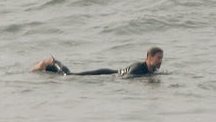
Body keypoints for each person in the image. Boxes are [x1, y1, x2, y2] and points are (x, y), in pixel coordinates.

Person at [31, 46, 163, 78]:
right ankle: (52, 63)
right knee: (69, 76)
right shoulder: (139, 67)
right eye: (158, 58)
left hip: (109, 73)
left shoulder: (151, 70)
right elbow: (125, 79)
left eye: (161, 58)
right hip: (105, 74)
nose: (160, 61)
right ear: (148, 57)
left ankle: (51, 65)